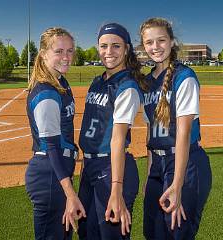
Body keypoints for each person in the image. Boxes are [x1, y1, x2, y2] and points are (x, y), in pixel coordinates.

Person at [139, 18, 212, 239]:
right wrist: (149, 175)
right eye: (149, 42)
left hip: (185, 166)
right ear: (144, 46)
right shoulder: (146, 83)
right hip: (157, 167)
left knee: (174, 234)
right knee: (151, 233)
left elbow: (183, 134)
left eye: (161, 40)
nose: (155, 47)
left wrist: (177, 185)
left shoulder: (184, 77)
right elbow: (151, 134)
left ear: (171, 42)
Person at [77, 23, 147, 240]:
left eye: (116, 46)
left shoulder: (127, 87)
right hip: (90, 167)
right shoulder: (98, 82)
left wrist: (116, 189)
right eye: (103, 46)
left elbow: (117, 139)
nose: (109, 52)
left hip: (112, 170)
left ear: (126, 49)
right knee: (87, 233)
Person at [25, 27, 86, 240]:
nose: (66, 57)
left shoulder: (60, 82)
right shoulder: (47, 92)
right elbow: (51, 146)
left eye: (70, 51)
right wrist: (70, 194)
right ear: (43, 54)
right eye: (59, 51)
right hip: (50, 174)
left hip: (57, 173)